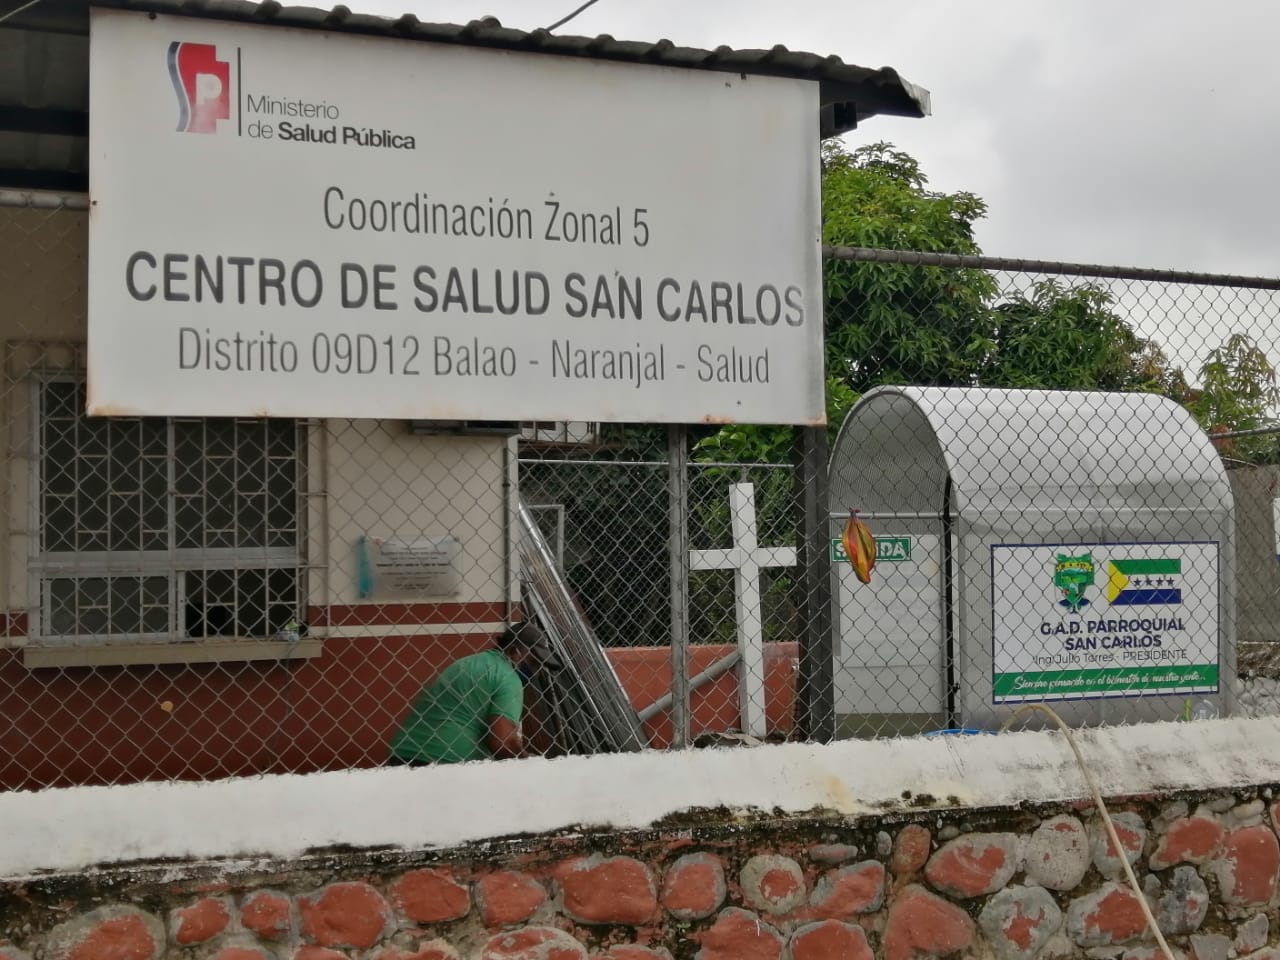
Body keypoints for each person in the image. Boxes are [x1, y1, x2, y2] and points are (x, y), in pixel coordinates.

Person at [387, 621, 552, 765]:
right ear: (514, 652)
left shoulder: (469, 662)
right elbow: (502, 742)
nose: (536, 671)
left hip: (404, 752)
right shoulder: (509, 677)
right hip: (444, 761)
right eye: (533, 662)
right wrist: (529, 763)